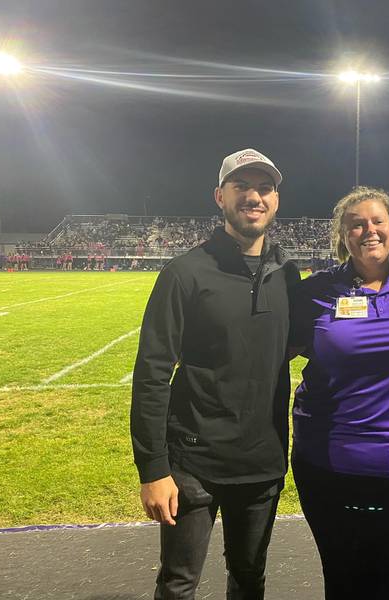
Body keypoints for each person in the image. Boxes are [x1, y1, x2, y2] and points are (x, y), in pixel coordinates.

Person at [130, 148, 299, 600]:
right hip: (192, 463)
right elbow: (151, 373)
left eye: (264, 188)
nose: (254, 197)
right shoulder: (184, 273)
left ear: (276, 200)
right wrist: (153, 468)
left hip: (261, 463)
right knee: (179, 584)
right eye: (241, 187)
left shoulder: (288, 275)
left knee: (249, 579)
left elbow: (313, 343)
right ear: (219, 196)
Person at [289, 187, 389, 600]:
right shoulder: (316, 293)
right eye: (356, 224)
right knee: (343, 580)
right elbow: (267, 345)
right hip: (331, 464)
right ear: (342, 235)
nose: (368, 230)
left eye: (378, 221)